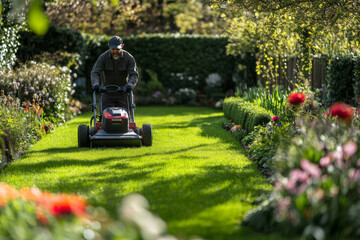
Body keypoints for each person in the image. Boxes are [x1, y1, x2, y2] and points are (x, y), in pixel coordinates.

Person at [91, 35, 139, 111]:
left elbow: (134, 74)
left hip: (123, 93)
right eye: (113, 49)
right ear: (109, 47)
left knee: (125, 116)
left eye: (117, 49)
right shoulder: (103, 58)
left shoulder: (128, 58)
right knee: (106, 115)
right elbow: (95, 72)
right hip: (107, 93)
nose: (115, 51)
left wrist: (130, 85)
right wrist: (96, 84)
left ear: (122, 46)